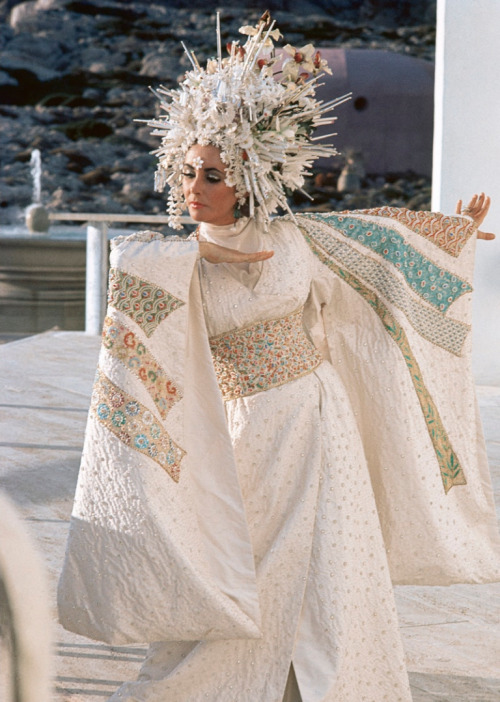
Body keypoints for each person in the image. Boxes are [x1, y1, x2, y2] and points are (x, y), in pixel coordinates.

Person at [58, 13, 499, 702]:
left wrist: (452, 235)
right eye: (187, 171)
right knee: (245, 559)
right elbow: (133, 269)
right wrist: (206, 249)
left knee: (334, 561)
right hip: (244, 432)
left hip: (319, 419)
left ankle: (338, 685)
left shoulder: (298, 239)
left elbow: (380, 244)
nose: (193, 186)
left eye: (212, 174)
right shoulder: (173, 259)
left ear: (250, 177)